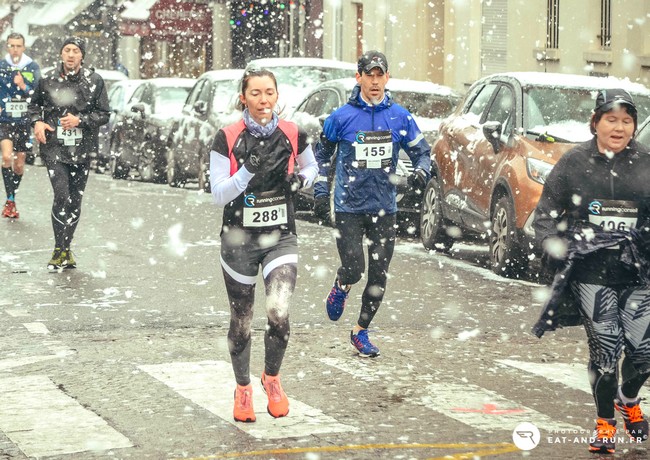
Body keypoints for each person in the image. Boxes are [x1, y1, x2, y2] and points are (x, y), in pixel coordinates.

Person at [532, 88, 650, 454]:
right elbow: (546, 215)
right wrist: (555, 246)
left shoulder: (647, 162)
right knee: (605, 350)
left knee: (645, 351)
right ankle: (604, 422)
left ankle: (627, 398)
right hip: (591, 273)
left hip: (638, 272)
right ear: (596, 122)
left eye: (626, 120)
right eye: (611, 119)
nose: (619, 127)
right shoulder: (574, 162)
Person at [209, 68, 318, 423]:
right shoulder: (227, 137)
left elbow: (312, 166)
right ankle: (243, 388)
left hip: (280, 236)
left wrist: (300, 180)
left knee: (278, 311)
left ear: (277, 95)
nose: (263, 100)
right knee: (242, 319)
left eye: (269, 92)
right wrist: (245, 173)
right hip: (238, 239)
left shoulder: (292, 132)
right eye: (255, 93)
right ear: (244, 97)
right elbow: (217, 194)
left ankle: (271, 378)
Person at [314, 50, 431, 358]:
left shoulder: (400, 117)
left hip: (384, 207)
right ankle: (342, 284)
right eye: (370, 75)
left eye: (381, 75)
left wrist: (421, 171)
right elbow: (321, 153)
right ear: (359, 78)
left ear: (387, 78)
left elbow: (422, 152)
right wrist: (320, 185)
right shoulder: (341, 118)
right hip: (349, 207)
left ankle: (361, 330)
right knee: (355, 268)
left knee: (379, 275)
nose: (375, 81)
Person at [29, 37, 110, 269]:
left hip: (82, 148)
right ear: (61, 54)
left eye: (76, 51)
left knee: (75, 201)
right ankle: (59, 248)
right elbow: (34, 106)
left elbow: (104, 114)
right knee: (62, 195)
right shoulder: (48, 79)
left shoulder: (94, 81)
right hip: (54, 147)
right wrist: (37, 123)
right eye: (67, 50)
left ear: (82, 56)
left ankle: (66, 247)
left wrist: (80, 120)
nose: (71, 55)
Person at [0, 32, 40, 219]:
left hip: (23, 121)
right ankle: (10, 200)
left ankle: (11, 198)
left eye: (18, 46)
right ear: (7, 46)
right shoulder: (1, 66)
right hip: (5, 120)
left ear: (23, 47)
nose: (15, 49)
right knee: (7, 157)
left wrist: (24, 86)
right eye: (11, 45)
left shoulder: (32, 67)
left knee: (19, 165)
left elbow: (38, 94)